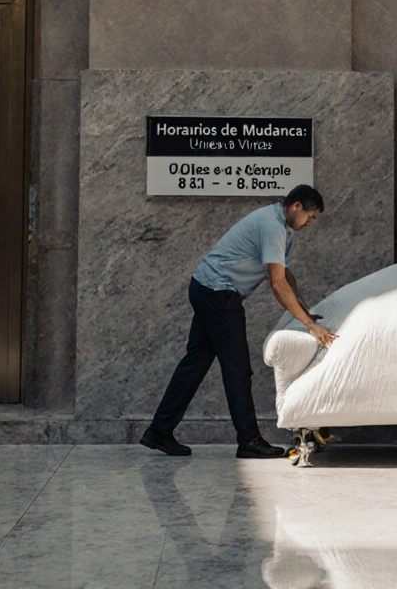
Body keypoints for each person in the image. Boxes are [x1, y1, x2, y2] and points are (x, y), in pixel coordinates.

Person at [141, 185, 337, 459]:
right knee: (237, 369)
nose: (309, 223)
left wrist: (305, 310)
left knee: (195, 364)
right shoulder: (272, 226)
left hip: (207, 288)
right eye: (310, 217)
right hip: (218, 293)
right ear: (296, 207)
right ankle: (249, 440)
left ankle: (159, 431)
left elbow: (285, 275)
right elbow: (277, 284)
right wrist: (310, 325)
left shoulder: (282, 228)